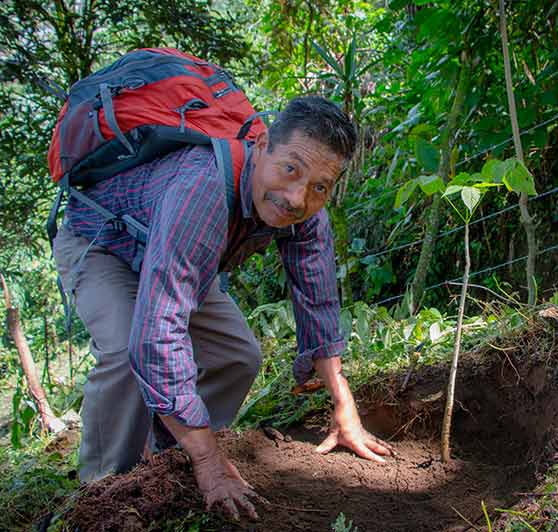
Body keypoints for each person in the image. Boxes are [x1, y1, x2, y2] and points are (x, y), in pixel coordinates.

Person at [53, 95, 391, 519]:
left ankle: (170, 456)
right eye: (290, 169)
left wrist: (344, 406)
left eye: (319, 187)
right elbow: (159, 335)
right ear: (262, 145)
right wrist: (210, 462)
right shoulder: (203, 188)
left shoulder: (305, 208)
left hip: (176, 256)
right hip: (105, 245)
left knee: (237, 356)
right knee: (125, 350)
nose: (296, 197)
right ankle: (105, 493)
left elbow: (318, 300)